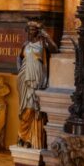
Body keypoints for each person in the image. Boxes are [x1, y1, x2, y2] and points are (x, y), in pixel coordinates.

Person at [16, 21, 57, 149]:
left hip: (37, 79)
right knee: (25, 109)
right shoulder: (25, 45)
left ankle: (24, 136)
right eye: (28, 30)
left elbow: (55, 49)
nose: (30, 32)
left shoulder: (41, 44)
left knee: (32, 108)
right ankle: (24, 137)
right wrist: (19, 71)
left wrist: (47, 36)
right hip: (25, 79)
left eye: (33, 30)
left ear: (36, 31)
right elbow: (18, 58)